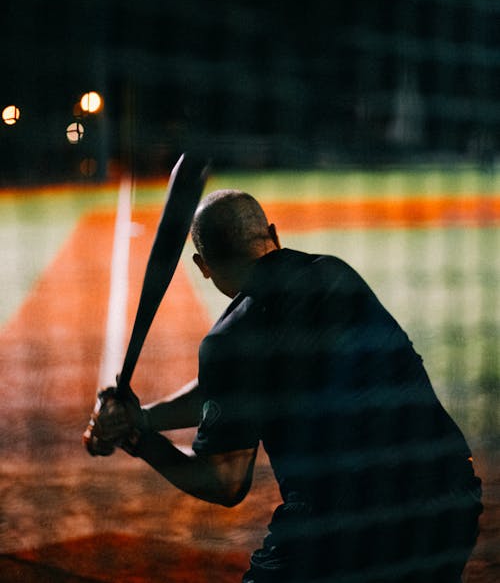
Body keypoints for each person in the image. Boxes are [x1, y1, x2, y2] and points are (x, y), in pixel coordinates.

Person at [89, 189, 482, 582]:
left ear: (203, 265)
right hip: (447, 500)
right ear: (273, 234)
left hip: (343, 526)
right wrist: (141, 418)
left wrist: (139, 440)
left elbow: (225, 483)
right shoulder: (334, 273)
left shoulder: (230, 341)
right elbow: (233, 386)